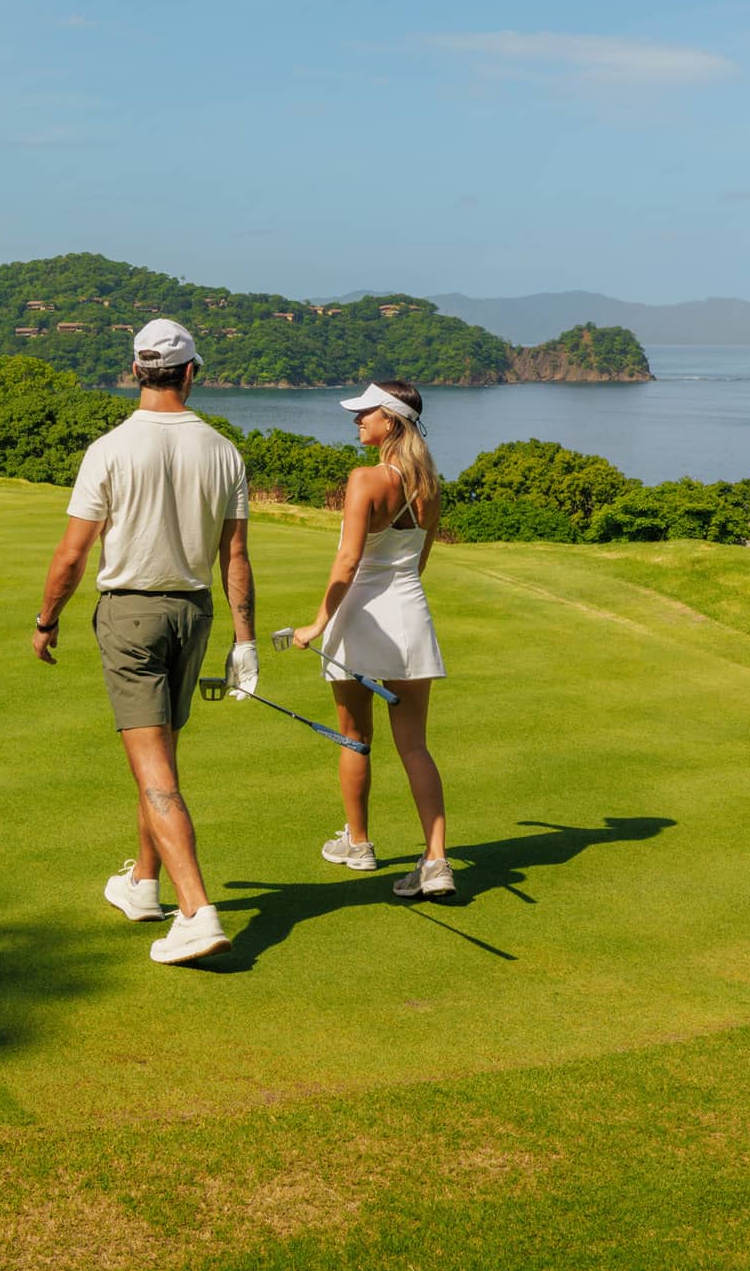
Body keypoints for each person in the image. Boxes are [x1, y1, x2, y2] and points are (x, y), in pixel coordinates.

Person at [32, 319, 257, 965]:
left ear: (137, 371)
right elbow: (234, 556)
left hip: (130, 614)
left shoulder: (109, 448)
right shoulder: (223, 450)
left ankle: (196, 911)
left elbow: (73, 553)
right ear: (190, 374)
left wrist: (47, 620)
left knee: (153, 764)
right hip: (194, 613)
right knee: (159, 752)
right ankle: (142, 885)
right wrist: (245, 644)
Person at [291, 380, 454, 899]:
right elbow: (419, 564)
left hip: (360, 617)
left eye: (365, 413)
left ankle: (358, 844)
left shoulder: (365, 479)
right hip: (410, 616)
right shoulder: (430, 486)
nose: (357, 420)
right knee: (415, 745)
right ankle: (436, 861)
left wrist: (315, 624)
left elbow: (348, 561)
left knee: (353, 736)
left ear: (391, 420)